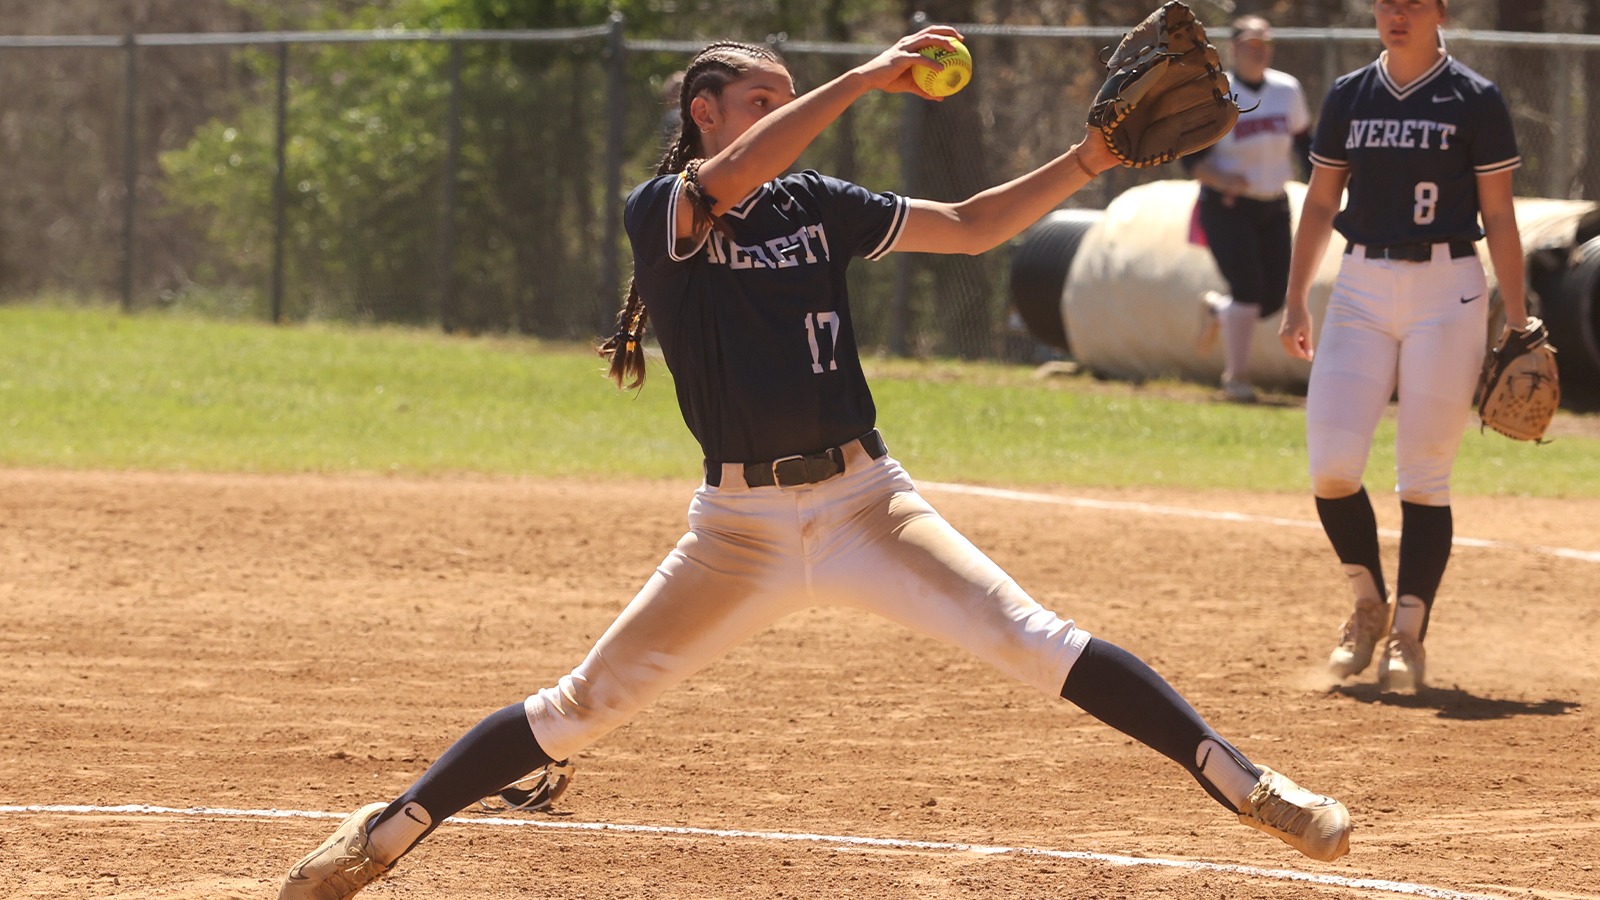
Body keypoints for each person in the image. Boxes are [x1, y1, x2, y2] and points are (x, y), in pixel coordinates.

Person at [278, 31, 1352, 899]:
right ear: (705, 114)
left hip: (864, 504)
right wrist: (861, 77)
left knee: (1040, 640)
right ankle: (383, 833)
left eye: (785, 100)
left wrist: (1087, 163)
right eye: (759, 100)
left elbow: (973, 228)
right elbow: (732, 176)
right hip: (733, 534)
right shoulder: (666, 212)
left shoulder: (813, 204)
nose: (776, 118)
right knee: (578, 706)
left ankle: (1249, 786)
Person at [1278, 0, 1529, 693]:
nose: (1398, 13)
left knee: (1424, 474)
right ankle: (1368, 603)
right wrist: (1297, 296)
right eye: (1387, 1)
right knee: (1331, 465)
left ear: (1440, 10)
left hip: (1448, 290)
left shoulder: (1473, 98)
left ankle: (1408, 635)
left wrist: (1519, 315)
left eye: (1414, 1)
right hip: (1360, 283)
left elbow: (1500, 213)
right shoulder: (1349, 95)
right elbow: (1323, 203)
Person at [1188, 15, 1311, 404]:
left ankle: (1220, 311)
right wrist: (1224, 182)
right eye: (1251, 44)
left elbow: (1306, 146)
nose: (1259, 51)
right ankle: (1236, 378)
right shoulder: (1218, 95)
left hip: (1274, 205)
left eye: (1265, 44)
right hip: (1227, 207)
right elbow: (1191, 161)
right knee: (1248, 288)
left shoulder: (1286, 90)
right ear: (1234, 47)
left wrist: (1327, 183)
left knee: (1274, 297)